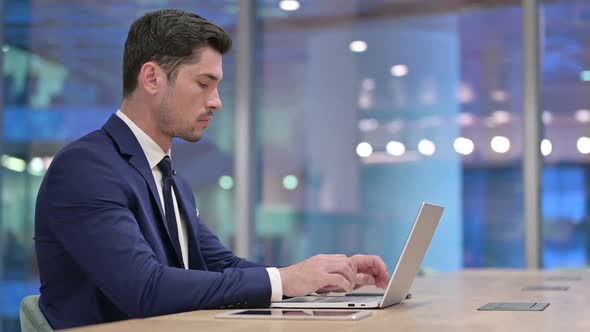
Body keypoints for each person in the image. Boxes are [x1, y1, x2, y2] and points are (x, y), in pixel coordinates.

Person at [34, 9, 390, 330]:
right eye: (204, 84)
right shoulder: (86, 169)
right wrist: (285, 280)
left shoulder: (170, 178)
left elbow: (220, 265)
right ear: (152, 78)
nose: (216, 101)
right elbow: (145, 289)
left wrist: (321, 277)